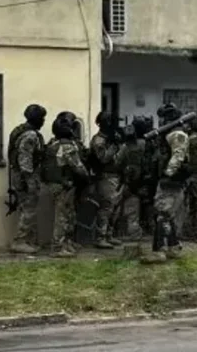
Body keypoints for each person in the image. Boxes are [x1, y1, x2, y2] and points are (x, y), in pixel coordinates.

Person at [42, 111, 90, 257]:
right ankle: (58, 247)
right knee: (63, 216)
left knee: (67, 214)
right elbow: (78, 168)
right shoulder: (68, 147)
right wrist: (86, 178)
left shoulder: (53, 144)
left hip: (55, 183)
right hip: (64, 185)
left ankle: (66, 243)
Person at [148, 103, 190, 262]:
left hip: (171, 180)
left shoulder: (177, 134)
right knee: (166, 214)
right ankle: (173, 247)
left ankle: (160, 251)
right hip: (168, 179)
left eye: (163, 118)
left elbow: (178, 155)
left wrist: (168, 173)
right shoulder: (170, 134)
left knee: (162, 214)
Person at [8, 104, 47, 254]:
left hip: (21, 176)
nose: (43, 121)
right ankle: (20, 241)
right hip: (26, 178)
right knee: (29, 209)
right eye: (42, 118)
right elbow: (25, 159)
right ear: (36, 119)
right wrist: (29, 181)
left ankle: (29, 241)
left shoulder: (20, 130)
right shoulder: (30, 135)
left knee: (26, 209)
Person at [87, 111, 122, 249]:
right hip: (105, 176)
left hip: (115, 176)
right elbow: (103, 158)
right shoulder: (99, 141)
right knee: (106, 207)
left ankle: (109, 234)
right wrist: (114, 146)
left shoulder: (111, 137)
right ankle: (100, 237)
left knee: (115, 208)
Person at [113, 118, 146, 242]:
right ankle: (136, 232)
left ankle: (130, 233)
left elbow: (117, 163)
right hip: (142, 178)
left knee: (128, 208)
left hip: (129, 179)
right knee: (135, 207)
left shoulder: (124, 148)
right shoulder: (144, 144)